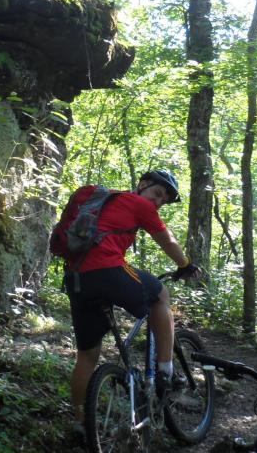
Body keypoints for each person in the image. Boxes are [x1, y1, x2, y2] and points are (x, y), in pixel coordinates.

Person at [62, 169, 200, 438]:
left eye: (164, 200)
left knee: (87, 356)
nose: (158, 202)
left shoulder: (106, 203)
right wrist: (185, 265)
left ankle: (80, 422)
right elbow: (167, 241)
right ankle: (165, 372)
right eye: (157, 193)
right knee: (161, 295)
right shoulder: (136, 203)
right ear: (142, 185)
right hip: (107, 271)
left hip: (76, 278)